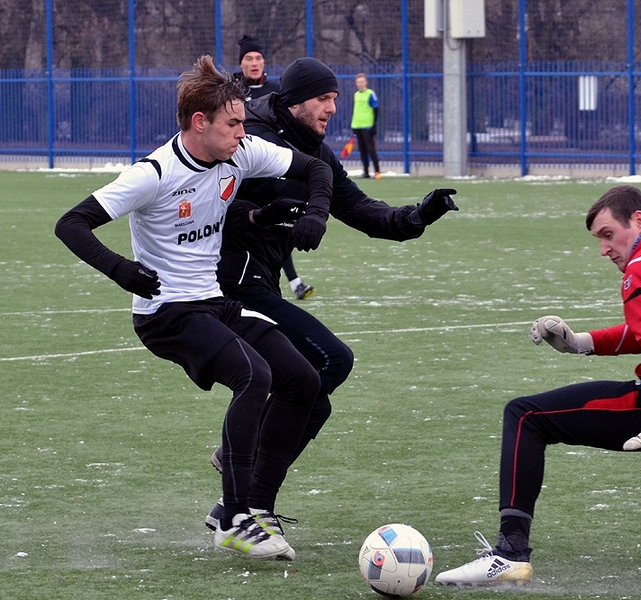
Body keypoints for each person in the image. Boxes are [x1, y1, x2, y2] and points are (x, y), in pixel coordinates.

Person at [54, 55, 335, 561]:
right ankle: (233, 516)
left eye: (244, 123)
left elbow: (315, 167)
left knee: (304, 379)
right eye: (233, 124)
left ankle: (255, 505)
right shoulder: (153, 173)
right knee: (254, 376)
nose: (243, 133)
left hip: (214, 302)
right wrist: (121, 269)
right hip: (165, 313)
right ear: (199, 123)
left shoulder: (239, 154)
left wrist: (314, 212)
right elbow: (71, 224)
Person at [435, 185, 641, 586]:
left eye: (609, 235)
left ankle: (509, 553)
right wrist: (581, 343)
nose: (604, 249)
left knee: (525, 415)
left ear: (639, 220)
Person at [206, 57, 458, 529]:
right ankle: (244, 480)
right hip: (228, 285)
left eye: (335, 99)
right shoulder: (251, 137)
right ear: (297, 100)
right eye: (324, 99)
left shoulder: (317, 154)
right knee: (331, 362)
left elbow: (361, 209)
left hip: (260, 282)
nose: (331, 108)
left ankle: (242, 506)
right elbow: (209, 194)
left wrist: (417, 216)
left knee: (312, 401)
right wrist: (261, 213)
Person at [234, 34, 314, 300]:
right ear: (241, 62)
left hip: (270, 168)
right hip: (238, 170)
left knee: (278, 223)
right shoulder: (230, 91)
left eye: (258, 58)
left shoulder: (275, 91)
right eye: (249, 58)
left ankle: (287, 283)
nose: (254, 63)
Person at [351, 73, 380, 179]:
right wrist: (353, 125)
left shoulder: (370, 94)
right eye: (358, 82)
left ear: (366, 82)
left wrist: (374, 124)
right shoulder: (356, 94)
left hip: (367, 126)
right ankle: (366, 171)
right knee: (362, 149)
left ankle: (377, 171)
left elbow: (376, 109)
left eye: (362, 82)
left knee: (371, 149)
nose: (360, 84)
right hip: (357, 125)